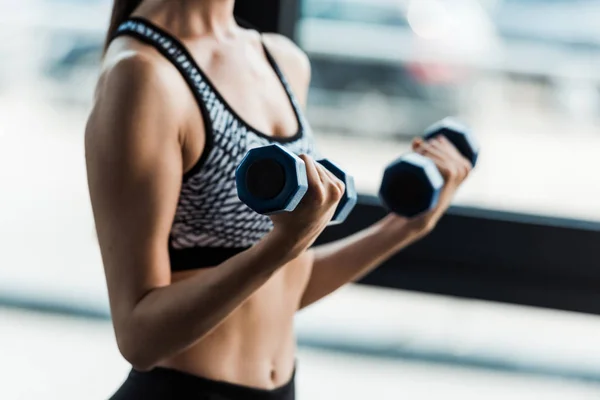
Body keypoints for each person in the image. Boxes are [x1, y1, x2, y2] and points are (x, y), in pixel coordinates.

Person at [84, 0, 473, 398]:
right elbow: (139, 337)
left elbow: (284, 288)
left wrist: (401, 229)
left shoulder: (280, 60)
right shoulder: (143, 74)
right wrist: (282, 244)